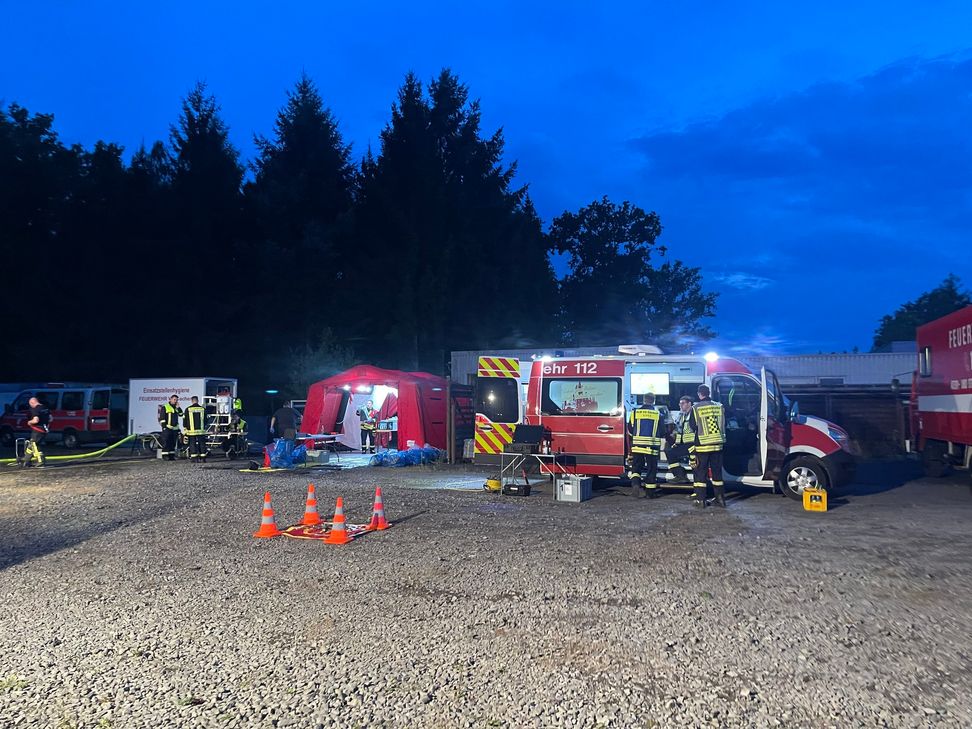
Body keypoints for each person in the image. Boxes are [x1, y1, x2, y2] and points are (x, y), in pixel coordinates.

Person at [688, 384, 727, 508]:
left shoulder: (696, 408)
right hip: (718, 444)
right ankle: (720, 499)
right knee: (717, 473)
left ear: (700, 394)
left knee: (701, 473)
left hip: (703, 445)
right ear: (709, 393)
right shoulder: (719, 406)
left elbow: (693, 425)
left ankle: (701, 500)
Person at [627, 392, 664, 499]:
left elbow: (630, 429)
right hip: (652, 447)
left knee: (636, 467)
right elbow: (662, 431)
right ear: (654, 400)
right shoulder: (658, 414)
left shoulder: (635, 413)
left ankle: (635, 485)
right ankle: (649, 493)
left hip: (637, 445)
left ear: (643, 400)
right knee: (651, 469)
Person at [665, 395, 696, 484]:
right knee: (669, 451)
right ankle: (679, 475)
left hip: (693, 444)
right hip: (684, 444)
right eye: (680, 404)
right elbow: (678, 430)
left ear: (689, 404)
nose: (680, 405)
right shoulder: (681, 414)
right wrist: (675, 442)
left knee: (695, 464)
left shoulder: (694, 413)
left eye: (683, 403)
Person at [19, 396, 50, 468]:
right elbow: (51, 418)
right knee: (31, 445)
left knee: (34, 445)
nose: (31, 407)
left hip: (37, 430)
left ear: (32, 403)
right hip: (44, 430)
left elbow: (36, 420)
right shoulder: (45, 408)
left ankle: (40, 461)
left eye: (30, 405)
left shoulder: (35, 409)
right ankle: (26, 460)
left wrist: (29, 422)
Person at [183, 396, 208, 463]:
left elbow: (185, 420)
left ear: (192, 401)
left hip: (192, 431)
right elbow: (206, 420)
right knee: (202, 443)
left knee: (192, 443)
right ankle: (203, 458)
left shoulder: (188, 409)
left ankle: (194, 458)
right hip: (201, 431)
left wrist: (185, 427)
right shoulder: (202, 409)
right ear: (198, 400)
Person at [159, 394, 183, 461]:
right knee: (166, 442)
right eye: (174, 399)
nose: (175, 401)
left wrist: (178, 407)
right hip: (167, 428)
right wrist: (164, 427)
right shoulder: (165, 407)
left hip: (175, 428)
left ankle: (171, 455)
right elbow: (162, 418)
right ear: (170, 399)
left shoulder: (176, 408)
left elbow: (181, 414)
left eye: (176, 400)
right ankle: (165, 455)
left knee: (173, 442)